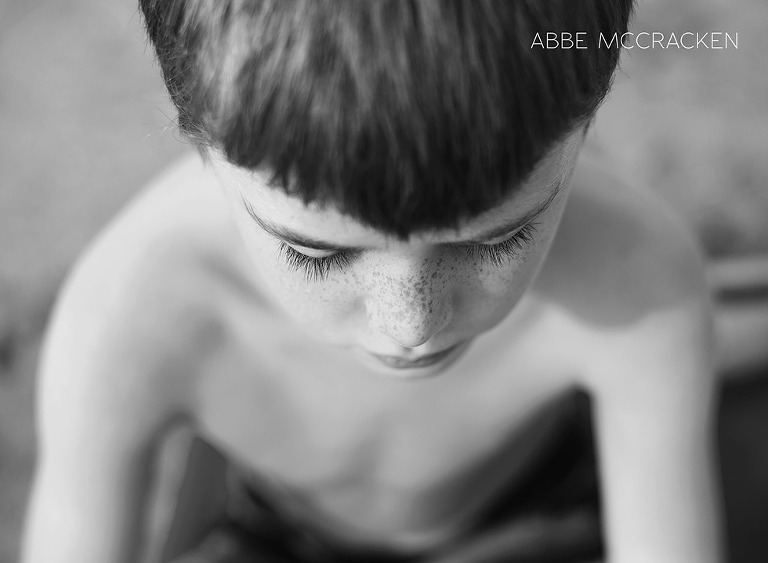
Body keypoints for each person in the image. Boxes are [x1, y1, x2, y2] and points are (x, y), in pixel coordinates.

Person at [21, 1, 726, 562]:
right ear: (199, 141)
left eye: (499, 237)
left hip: (536, 511)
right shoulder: (128, 317)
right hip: (276, 534)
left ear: (588, 120)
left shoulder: (637, 282)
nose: (410, 326)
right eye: (318, 253)